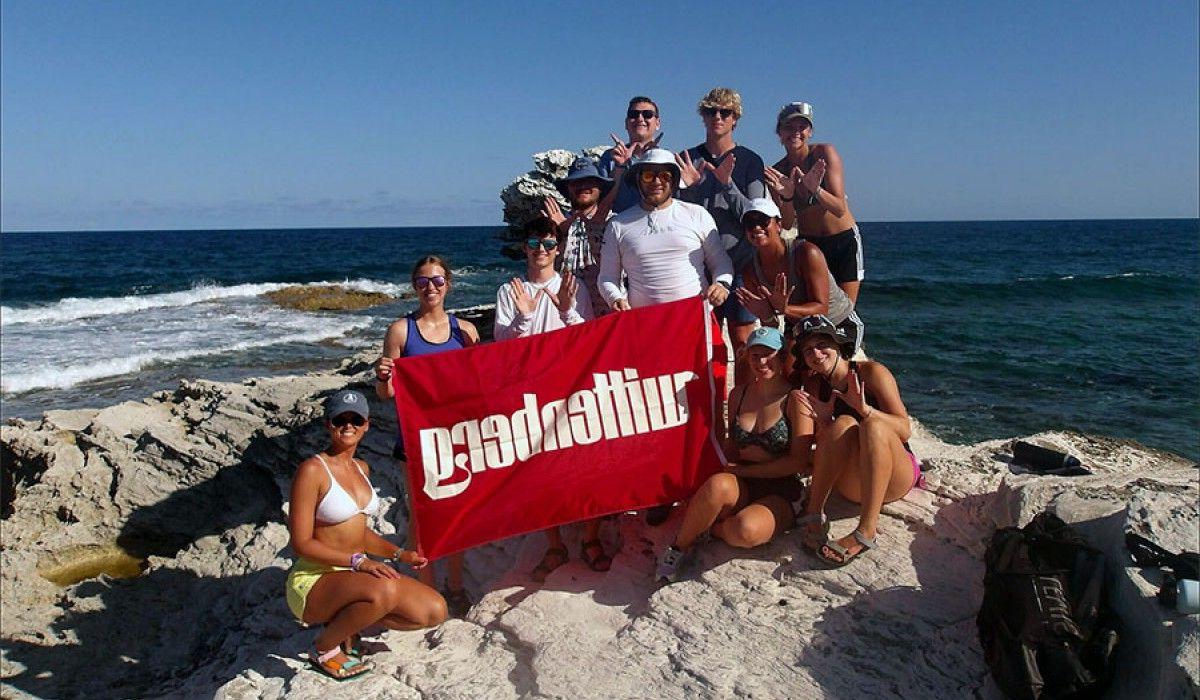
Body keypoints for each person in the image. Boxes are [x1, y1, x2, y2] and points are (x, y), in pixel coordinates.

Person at [597, 147, 734, 526]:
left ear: (673, 179)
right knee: (655, 413)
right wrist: (616, 299)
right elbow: (607, 277)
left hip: (695, 330)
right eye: (647, 174)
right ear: (637, 178)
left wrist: (722, 285)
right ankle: (663, 489)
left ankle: (710, 481)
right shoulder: (619, 225)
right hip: (646, 336)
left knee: (706, 405)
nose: (655, 181)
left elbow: (720, 263)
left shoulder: (696, 215)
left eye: (663, 175)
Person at [286, 390, 447, 680]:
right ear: (328, 424)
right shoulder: (312, 470)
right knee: (383, 589)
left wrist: (400, 554)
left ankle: (348, 623)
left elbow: (360, 532)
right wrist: (359, 563)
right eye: (340, 420)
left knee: (433, 610)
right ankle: (324, 648)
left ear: (366, 425)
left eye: (356, 420)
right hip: (313, 582)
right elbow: (301, 544)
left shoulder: (362, 468)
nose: (348, 426)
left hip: (352, 577)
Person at [493, 217, 609, 580]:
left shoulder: (573, 287)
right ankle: (555, 545)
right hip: (530, 392)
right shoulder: (508, 291)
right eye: (533, 242)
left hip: (570, 388)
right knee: (540, 471)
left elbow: (586, 339)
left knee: (583, 467)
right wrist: (525, 317)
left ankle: (590, 539)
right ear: (524, 247)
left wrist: (564, 309)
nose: (540, 250)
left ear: (557, 248)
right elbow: (502, 347)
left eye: (547, 243)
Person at [655, 327, 811, 583]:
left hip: (781, 487)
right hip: (742, 481)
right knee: (717, 486)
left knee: (745, 531)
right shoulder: (739, 394)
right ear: (746, 357)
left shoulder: (794, 399)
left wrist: (742, 470)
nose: (761, 362)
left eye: (768, 354)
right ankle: (678, 548)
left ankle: (709, 529)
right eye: (755, 355)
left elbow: (798, 461)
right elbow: (730, 446)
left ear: (782, 355)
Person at [374, 255, 480, 616]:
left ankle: (455, 585)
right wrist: (381, 376)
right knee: (422, 519)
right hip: (416, 441)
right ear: (414, 286)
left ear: (448, 284)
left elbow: (477, 384)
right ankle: (428, 591)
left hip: (456, 437)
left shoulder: (464, 331)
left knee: (455, 514)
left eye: (436, 280)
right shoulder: (401, 331)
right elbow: (385, 395)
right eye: (422, 281)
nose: (430, 288)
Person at [791, 315, 922, 567]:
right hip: (853, 483)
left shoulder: (872, 373)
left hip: (895, 475)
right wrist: (824, 423)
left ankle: (866, 530)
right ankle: (814, 515)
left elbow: (904, 430)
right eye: (808, 351)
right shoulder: (815, 385)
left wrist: (865, 410)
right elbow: (822, 450)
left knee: (872, 425)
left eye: (822, 345)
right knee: (842, 424)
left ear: (838, 345)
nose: (816, 354)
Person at [675, 87, 768, 382]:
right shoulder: (687, 159)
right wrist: (687, 189)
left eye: (724, 112)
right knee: (704, 343)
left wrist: (727, 184)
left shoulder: (750, 161)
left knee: (742, 341)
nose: (717, 117)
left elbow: (755, 217)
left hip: (741, 264)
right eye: (711, 111)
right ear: (702, 116)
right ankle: (709, 410)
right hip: (698, 267)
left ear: (735, 119)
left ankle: (740, 407)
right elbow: (677, 216)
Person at [731, 198, 864, 358]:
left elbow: (821, 308)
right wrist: (766, 314)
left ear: (779, 225)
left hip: (838, 322)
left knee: (831, 373)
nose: (757, 227)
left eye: (763, 221)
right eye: (750, 224)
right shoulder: (750, 272)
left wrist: (784, 309)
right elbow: (772, 324)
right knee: (788, 372)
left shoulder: (806, 253)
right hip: (799, 327)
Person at [764, 102, 864, 304]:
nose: (796, 132)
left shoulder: (823, 154)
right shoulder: (778, 172)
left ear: (810, 132)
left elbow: (838, 208)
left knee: (845, 309)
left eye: (802, 127)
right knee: (814, 308)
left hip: (842, 241)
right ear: (779, 132)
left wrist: (815, 190)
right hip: (810, 246)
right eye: (789, 127)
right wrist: (787, 196)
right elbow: (787, 222)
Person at [541, 156, 618, 316]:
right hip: (566, 314)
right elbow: (543, 270)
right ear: (568, 188)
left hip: (607, 314)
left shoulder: (615, 223)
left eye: (589, 181)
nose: (583, 186)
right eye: (576, 182)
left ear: (601, 187)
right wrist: (560, 234)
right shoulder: (554, 224)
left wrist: (596, 230)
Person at [597, 95, 665, 213]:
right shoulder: (610, 158)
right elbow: (600, 199)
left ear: (658, 123)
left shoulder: (667, 159)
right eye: (634, 114)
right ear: (626, 123)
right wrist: (619, 168)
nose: (640, 118)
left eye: (647, 114)